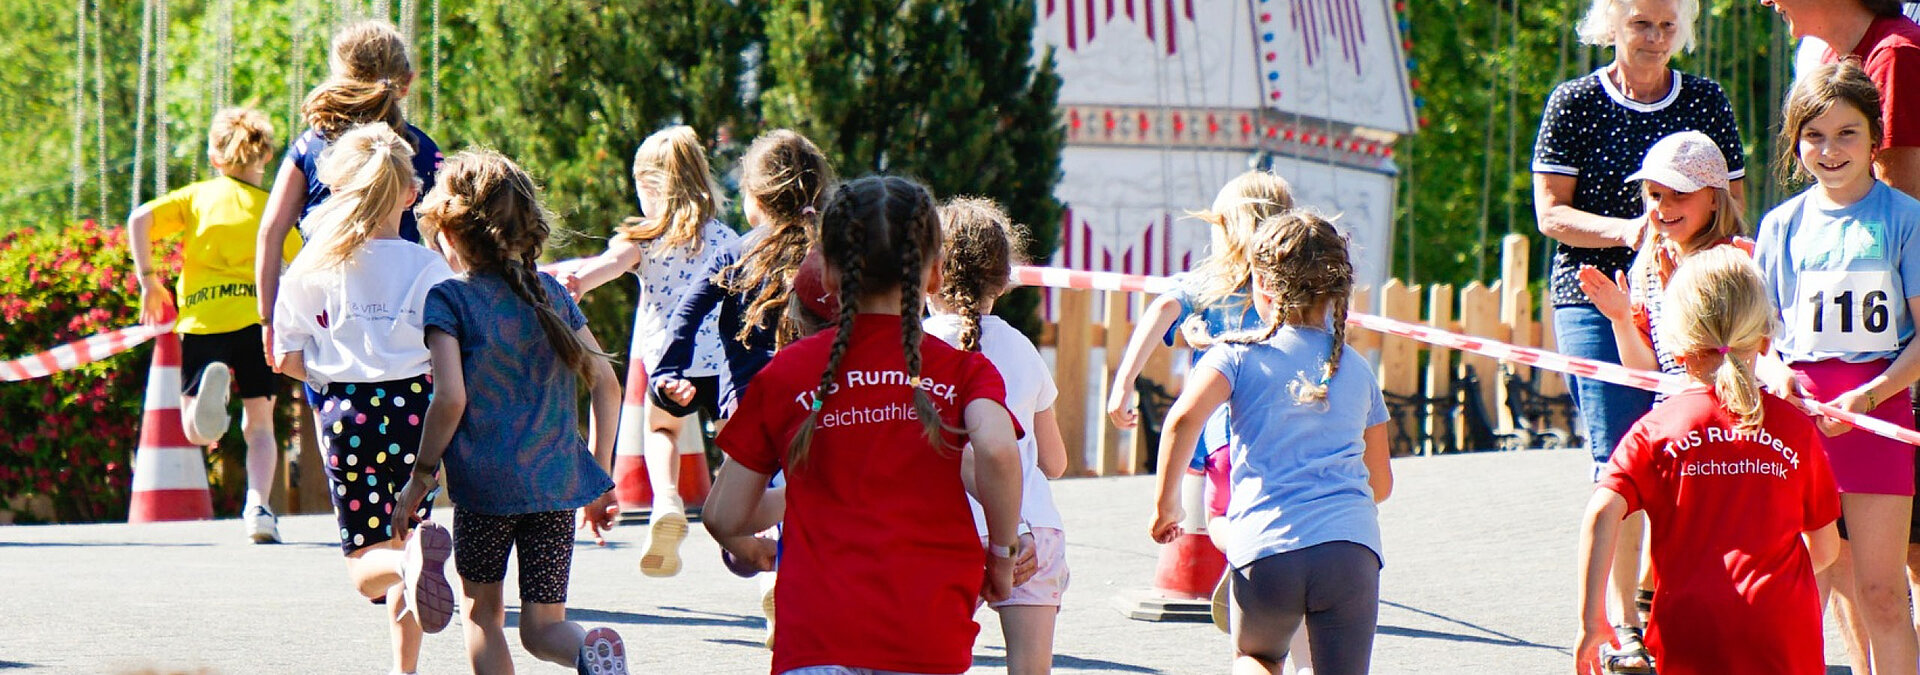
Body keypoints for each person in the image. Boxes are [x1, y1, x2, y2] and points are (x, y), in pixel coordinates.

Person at [702, 176, 1025, 675]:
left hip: (817, 637)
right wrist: (1001, 554)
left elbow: (722, 515)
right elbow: (1000, 452)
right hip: (926, 635)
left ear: (829, 275)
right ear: (935, 274)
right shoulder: (964, 371)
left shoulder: (786, 373)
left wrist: (756, 540)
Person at [1530, 1, 1745, 660]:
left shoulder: (1707, 98)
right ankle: (1622, 624)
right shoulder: (1572, 100)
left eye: (1666, 24)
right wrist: (1629, 233)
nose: (1655, 37)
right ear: (1610, 29)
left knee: (1690, 455)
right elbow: (1549, 213)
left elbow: (1733, 204)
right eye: (1640, 24)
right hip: (1596, 295)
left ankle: (1660, 599)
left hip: (1691, 291)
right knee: (1622, 455)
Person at [391, 149, 628, 675]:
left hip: (488, 491)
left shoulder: (449, 300)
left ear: (449, 235)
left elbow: (450, 399)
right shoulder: (550, 295)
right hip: (555, 485)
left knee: (483, 618)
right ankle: (590, 652)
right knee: (545, 627)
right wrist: (599, 471)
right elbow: (607, 383)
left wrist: (421, 477)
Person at [1574, 248, 1843, 675]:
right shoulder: (1796, 429)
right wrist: (1775, 581)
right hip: (1781, 624)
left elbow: (1603, 510)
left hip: (1688, 623)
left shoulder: (1659, 427)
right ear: (1765, 340)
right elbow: (1825, 544)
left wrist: (1594, 621)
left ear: (1677, 348)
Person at [1149, 211, 1393, 675]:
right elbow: (1380, 483)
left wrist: (1167, 506)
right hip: (1350, 552)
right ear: (1341, 291)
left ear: (1261, 284)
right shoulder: (1359, 371)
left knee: (1255, 658)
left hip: (1267, 550)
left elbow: (1183, 420)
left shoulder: (1237, 355)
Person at [267, 123, 456, 675]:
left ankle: (407, 567)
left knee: (365, 562)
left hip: (347, 414)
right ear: (411, 193)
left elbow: (285, 354)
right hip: (418, 412)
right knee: (405, 536)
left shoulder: (316, 264)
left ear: (343, 189)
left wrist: (324, 372)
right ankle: (406, 667)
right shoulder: (430, 267)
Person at [1755, 60, 1920, 675]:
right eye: (1814, 135)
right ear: (1796, 143)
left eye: (1847, 132)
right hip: (1798, 418)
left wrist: (1873, 396)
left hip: (1876, 413)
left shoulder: (1905, 218)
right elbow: (1760, 338)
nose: (1830, 149)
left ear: (1874, 138)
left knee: (1881, 593)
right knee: (1800, 593)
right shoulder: (1779, 226)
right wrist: (1777, 376)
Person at [648, 129, 833, 645]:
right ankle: (788, 578)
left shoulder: (740, 250)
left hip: (748, 411)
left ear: (754, 197)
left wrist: (668, 377)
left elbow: (689, 309)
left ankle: (766, 566)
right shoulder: (831, 253)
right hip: (818, 405)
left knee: (738, 528)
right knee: (804, 496)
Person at [556, 125, 739, 578]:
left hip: (670, 366)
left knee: (662, 433)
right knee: (737, 447)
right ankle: (751, 534)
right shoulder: (726, 239)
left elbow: (608, 267)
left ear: (650, 187)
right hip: (722, 368)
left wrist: (578, 282)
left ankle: (667, 502)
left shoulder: (643, 239)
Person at [126, 107, 296, 543]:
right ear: (266, 156)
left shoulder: (197, 197)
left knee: (194, 431)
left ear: (214, 157)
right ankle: (258, 508)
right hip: (258, 323)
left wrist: (149, 281)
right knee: (260, 426)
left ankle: (210, 404)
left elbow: (139, 219)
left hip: (204, 321)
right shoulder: (272, 209)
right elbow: (300, 261)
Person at [926, 197, 1070, 675]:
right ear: (1004, 278)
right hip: (1033, 526)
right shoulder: (1024, 349)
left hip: (948, 530)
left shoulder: (914, 346)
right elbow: (1054, 462)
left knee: (930, 661)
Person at [256, 20, 443, 361]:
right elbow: (445, 237)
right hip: (403, 316)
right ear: (407, 83)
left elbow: (271, 231)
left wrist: (269, 318)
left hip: (327, 309)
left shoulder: (312, 145)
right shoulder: (423, 149)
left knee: (329, 398)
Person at [1579, 130, 1753, 386]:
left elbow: (1737, 353)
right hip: (1674, 406)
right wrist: (1621, 320)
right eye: (1655, 195)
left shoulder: (1737, 259)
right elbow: (1647, 367)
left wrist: (1683, 297)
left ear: (1715, 199)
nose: (1664, 207)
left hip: (1731, 406)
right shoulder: (1646, 268)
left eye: (1680, 193)